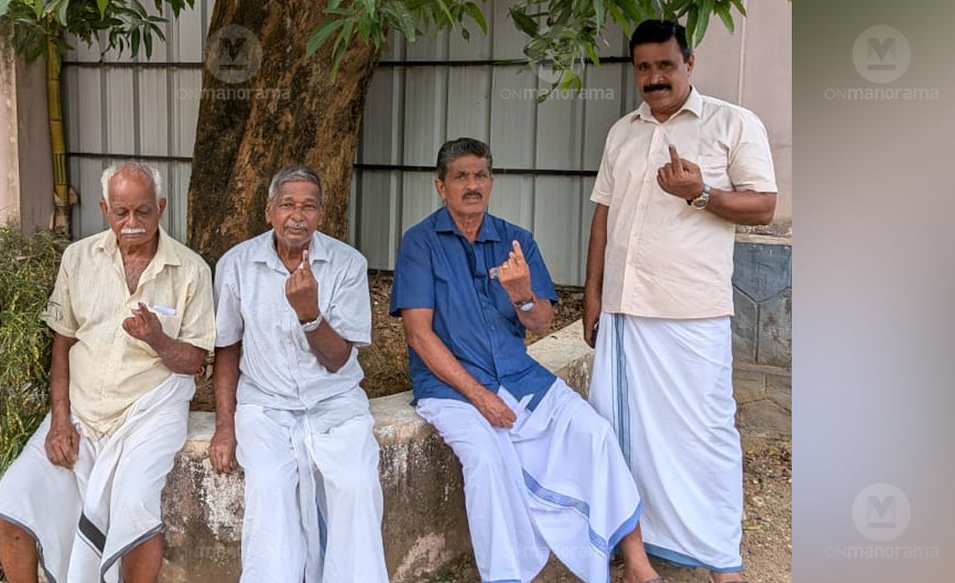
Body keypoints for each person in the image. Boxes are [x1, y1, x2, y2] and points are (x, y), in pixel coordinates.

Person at [390, 137, 668, 583]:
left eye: (480, 175)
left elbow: (541, 323)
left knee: (594, 432)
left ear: (492, 182)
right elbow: (419, 336)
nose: (472, 185)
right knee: (485, 460)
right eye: (460, 176)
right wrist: (479, 396)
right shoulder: (420, 243)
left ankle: (635, 561)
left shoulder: (516, 240)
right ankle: (506, 576)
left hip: (520, 378)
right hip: (452, 389)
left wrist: (521, 295)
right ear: (440, 187)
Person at [583, 19, 778, 583]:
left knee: (707, 436)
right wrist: (593, 294)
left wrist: (701, 192)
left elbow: (764, 206)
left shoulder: (732, 123)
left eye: (665, 65)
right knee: (621, 437)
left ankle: (722, 561)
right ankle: (638, 556)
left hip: (692, 311)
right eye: (643, 67)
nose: (653, 77)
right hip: (624, 311)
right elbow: (603, 216)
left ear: (689, 64)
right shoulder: (622, 132)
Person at [0, 162, 216, 583]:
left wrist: (157, 338)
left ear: (162, 207)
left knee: (135, 511)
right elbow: (62, 343)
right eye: (121, 212)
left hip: (148, 414)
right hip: (80, 412)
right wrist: (60, 420)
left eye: (143, 212)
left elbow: (194, 361)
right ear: (104, 209)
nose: (132, 224)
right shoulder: (78, 257)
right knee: (11, 500)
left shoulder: (191, 270)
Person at [208, 163, 389, 583]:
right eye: (287, 205)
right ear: (269, 210)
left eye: (309, 206)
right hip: (265, 407)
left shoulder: (347, 264)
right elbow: (227, 348)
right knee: (269, 491)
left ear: (321, 215)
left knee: (357, 484)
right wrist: (224, 427)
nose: (297, 216)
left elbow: (339, 359)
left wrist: (310, 314)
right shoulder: (236, 264)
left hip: (335, 403)